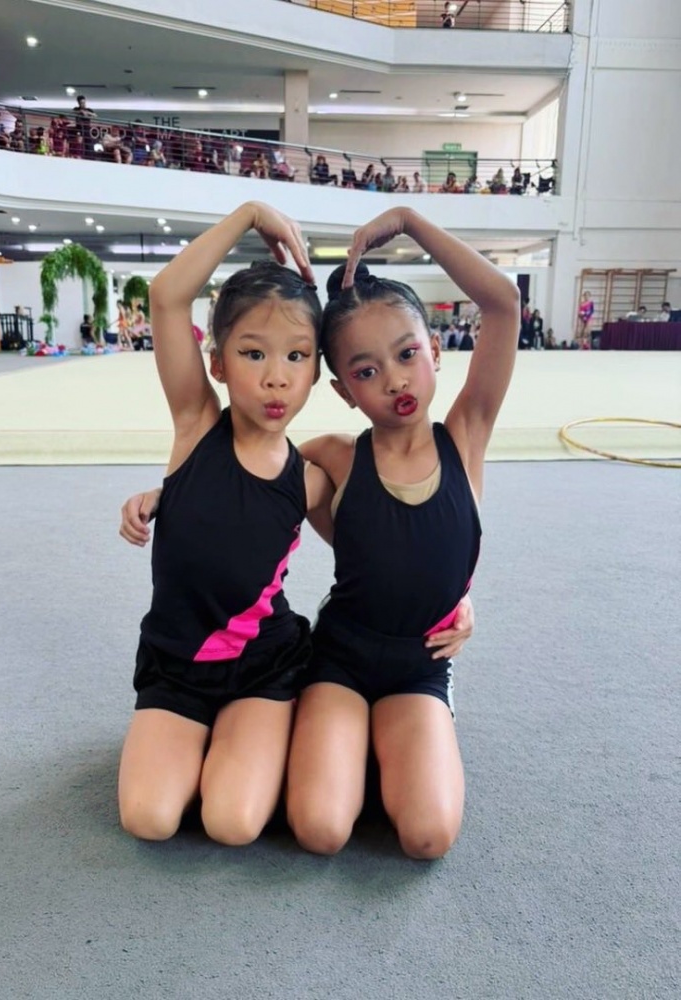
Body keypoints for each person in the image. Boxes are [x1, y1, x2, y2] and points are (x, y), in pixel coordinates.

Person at [285, 207, 519, 859]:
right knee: (320, 829)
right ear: (343, 391)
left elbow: (503, 304)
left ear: (435, 351)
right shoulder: (335, 456)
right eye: (365, 371)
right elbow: (244, 474)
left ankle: (379, 744)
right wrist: (168, 495)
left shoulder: (465, 437)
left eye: (407, 354)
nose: (393, 379)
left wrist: (413, 223)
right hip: (342, 657)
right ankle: (341, 739)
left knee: (427, 836)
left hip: (422, 663)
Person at [116, 201, 334, 847]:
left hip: (262, 667)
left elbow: (380, 557)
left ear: (317, 369)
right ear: (217, 363)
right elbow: (166, 297)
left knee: (232, 823)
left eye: (297, 356)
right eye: (252, 353)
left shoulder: (312, 478)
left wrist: (453, 602)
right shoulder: (196, 424)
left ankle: (273, 730)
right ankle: (202, 741)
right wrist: (249, 214)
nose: (276, 378)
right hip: (177, 664)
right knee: (149, 819)